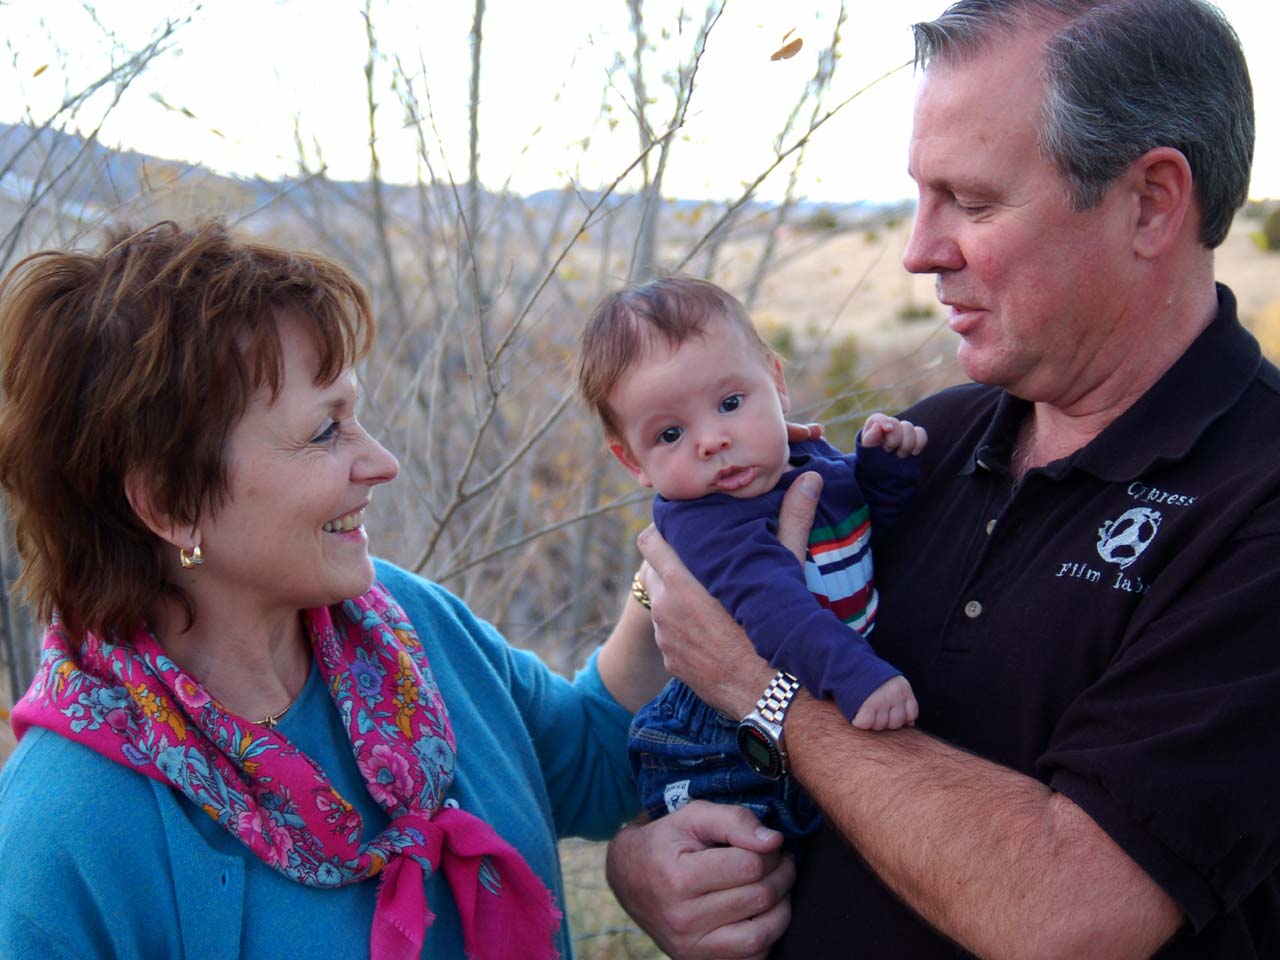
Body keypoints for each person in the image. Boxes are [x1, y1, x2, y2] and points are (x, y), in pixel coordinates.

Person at [605, 0, 1280, 957]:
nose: (920, 249)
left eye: (971, 200)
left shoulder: (1256, 503)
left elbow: (1070, 917)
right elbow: (686, 673)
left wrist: (764, 690)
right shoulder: (934, 438)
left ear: (1151, 202)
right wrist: (650, 861)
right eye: (921, 197)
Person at [0, 219, 669, 960]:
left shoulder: (406, 627)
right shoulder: (64, 837)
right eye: (325, 432)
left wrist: (667, 578)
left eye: (355, 415)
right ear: (170, 503)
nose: (381, 462)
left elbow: (599, 762)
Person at [577, 276, 923, 834]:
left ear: (777, 383)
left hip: (811, 694)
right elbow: (778, 614)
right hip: (720, 749)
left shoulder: (803, 459)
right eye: (670, 434)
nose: (711, 440)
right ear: (634, 462)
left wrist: (883, 469)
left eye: (730, 403)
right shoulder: (709, 525)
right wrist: (858, 676)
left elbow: (860, 535)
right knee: (762, 848)